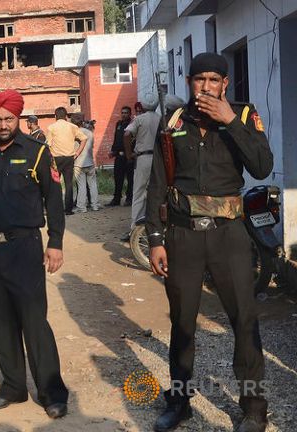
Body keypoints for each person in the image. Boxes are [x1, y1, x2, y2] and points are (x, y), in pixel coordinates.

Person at [146, 53, 273, 432]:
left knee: (244, 322)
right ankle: (180, 402)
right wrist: (155, 239)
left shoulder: (245, 117)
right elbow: (156, 184)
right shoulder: (173, 121)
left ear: (225, 84)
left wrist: (230, 121)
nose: (205, 86)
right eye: (198, 79)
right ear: (189, 83)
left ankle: (253, 408)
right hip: (182, 235)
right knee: (182, 324)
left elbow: (262, 166)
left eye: (213, 79)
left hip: (229, 235)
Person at [0, 90, 68, 418]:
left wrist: (56, 242)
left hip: (25, 248)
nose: (3, 125)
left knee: (34, 321)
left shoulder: (37, 152)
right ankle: (13, 387)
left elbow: (53, 201)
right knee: (1, 320)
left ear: (17, 118)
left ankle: (52, 392)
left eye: (8, 119)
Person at [123, 96, 161, 234]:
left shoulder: (139, 119)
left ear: (143, 107)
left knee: (138, 192)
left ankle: (135, 228)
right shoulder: (161, 118)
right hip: (158, 158)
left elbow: (127, 134)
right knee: (156, 192)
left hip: (143, 158)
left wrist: (129, 154)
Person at [45, 107, 88, 215]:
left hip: (56, 159)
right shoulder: (72, 126)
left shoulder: (51, 128)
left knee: (54, 184)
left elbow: (48, 145)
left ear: (55, 116)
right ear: (66, 116)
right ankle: (68, 210)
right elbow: (84, 138)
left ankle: (55, 208)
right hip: (69, 158)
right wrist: (77, 153)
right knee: (69, 184)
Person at [70, 114, 99, 213]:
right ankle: (95, 205)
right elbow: (92, 146)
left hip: (79, 162)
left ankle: (81, 207)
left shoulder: (74, 133)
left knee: (81, 185)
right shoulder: (89, 132)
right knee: (93, 184)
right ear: (82, 122)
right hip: (90, 161)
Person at [107, 106, 134, 207]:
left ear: (130, 114)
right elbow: (116, 139)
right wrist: (113, 151)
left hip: (128, 156)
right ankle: (116, 198)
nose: (124, 114)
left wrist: (131, 154)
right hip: (118, 156)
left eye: (126, 113)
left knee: (130, 179)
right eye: (122, 112)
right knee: (118, 178)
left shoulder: (132, 124)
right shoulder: (118, 124)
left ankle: (129, 198)